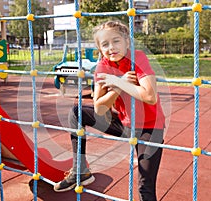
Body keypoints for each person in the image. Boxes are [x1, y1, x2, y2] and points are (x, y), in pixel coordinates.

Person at [54, 20, 165, 201]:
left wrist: (117, 81)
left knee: (145, 186)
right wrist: (119, 84)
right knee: (78, 112)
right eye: (105, 44)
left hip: (149, 129)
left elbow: (150, 96)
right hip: (123, 124)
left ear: (126, 42)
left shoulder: (137, 58)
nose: (111, 47)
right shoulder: (103, 67)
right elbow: (99, 108)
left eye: (116, 41)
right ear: (99, 48)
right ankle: (80, 170)